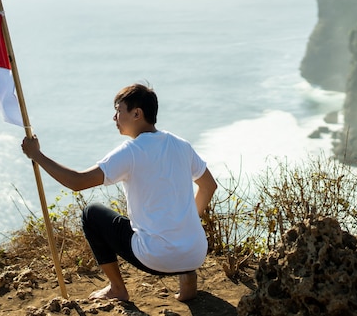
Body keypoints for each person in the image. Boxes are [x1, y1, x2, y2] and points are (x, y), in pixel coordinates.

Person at [21, 83, 217, 302]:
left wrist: (36, 155)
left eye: (118, 111)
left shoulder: (131, 152)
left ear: (136, 113)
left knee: (91, 214)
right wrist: (186, 223)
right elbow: (209, 186)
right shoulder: (181, 145)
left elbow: (78, 181)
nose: (114, 118)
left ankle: (117, 288)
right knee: (170, 225)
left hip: (156, 259)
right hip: (195, 252)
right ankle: (188, 282)